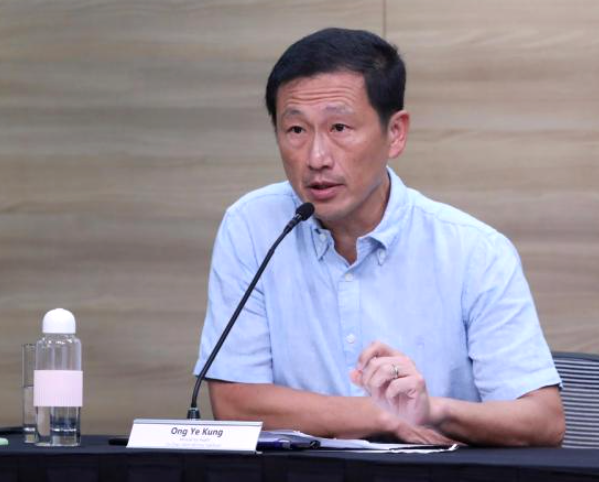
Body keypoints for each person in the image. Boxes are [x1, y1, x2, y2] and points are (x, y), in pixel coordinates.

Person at [194, 27, 565, 446]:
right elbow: (235, 403)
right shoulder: (253, 226)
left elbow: (543, 421)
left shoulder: (474, 251)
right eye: (296, 130)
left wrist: (433, 410)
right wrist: (380, 415)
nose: (316, 158)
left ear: (396, 133)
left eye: (339, 127)